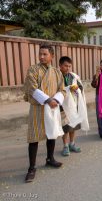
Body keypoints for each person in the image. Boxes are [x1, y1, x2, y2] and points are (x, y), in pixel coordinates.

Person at [23, 44, 65, 183]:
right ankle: (31, 167)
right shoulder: (33, 70)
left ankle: (50, 158)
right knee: (34, 137)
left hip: (52, 106)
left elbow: (62, 89)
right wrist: (47, 99)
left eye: (45, 54)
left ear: (52, 56)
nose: (41, 56)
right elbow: (31, 88)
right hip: (38, 107)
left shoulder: (57, 72)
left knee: (51, 134)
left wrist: (56, 100)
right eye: (40, 54)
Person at [59, 56, 87, 156]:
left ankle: (72, 143)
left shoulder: (73, 76)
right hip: (63, 105)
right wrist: (67, 89)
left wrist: (76, 88)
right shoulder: (57, 76)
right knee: (65, 127)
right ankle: (65, 146)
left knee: (74, 126)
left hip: (74, 104)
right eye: (66, 66)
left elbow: (80, 87)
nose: (68, 68)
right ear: (60, 66)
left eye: (69, 66)